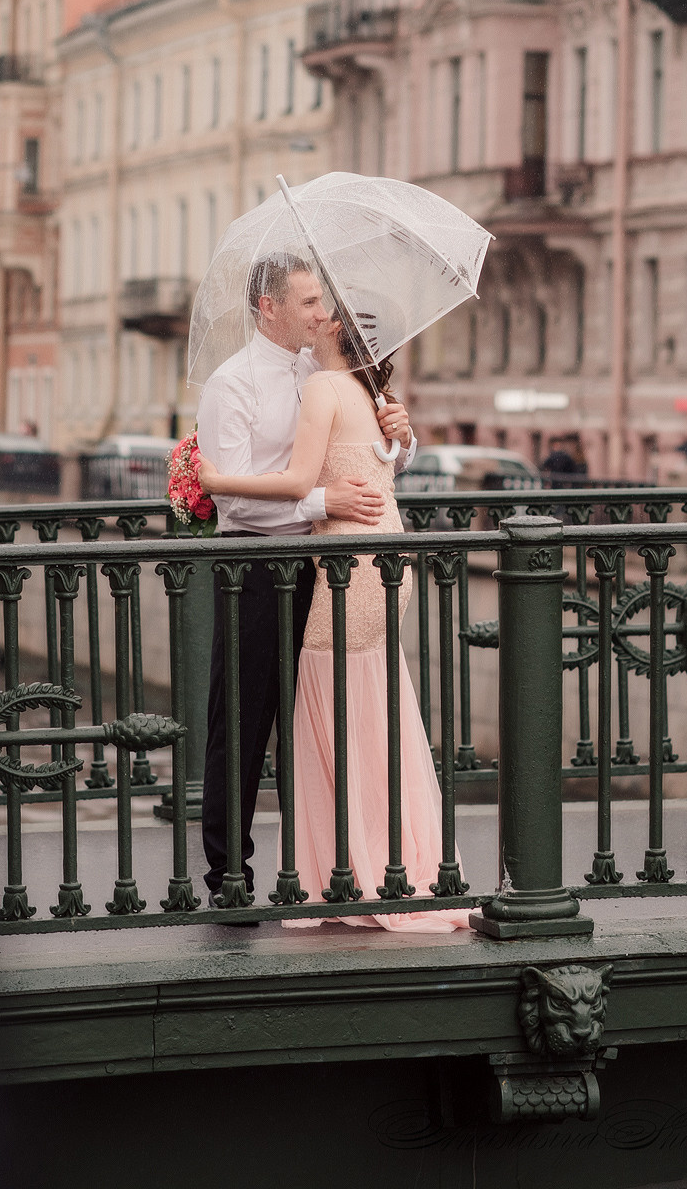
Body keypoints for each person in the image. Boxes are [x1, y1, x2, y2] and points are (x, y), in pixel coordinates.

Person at [198, 311, 469, 933]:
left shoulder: (323, 377)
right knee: (245, 718)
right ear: (272, 307)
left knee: (333, 715)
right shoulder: (234, 382)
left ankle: (343, 871)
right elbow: (241, 505)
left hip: (335, 565)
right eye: (309, 297)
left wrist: (402, 437)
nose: (318, 309)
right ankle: (231, 877)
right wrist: (327, 497)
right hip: (263, 565)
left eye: (325, 302)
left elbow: (369, 464)